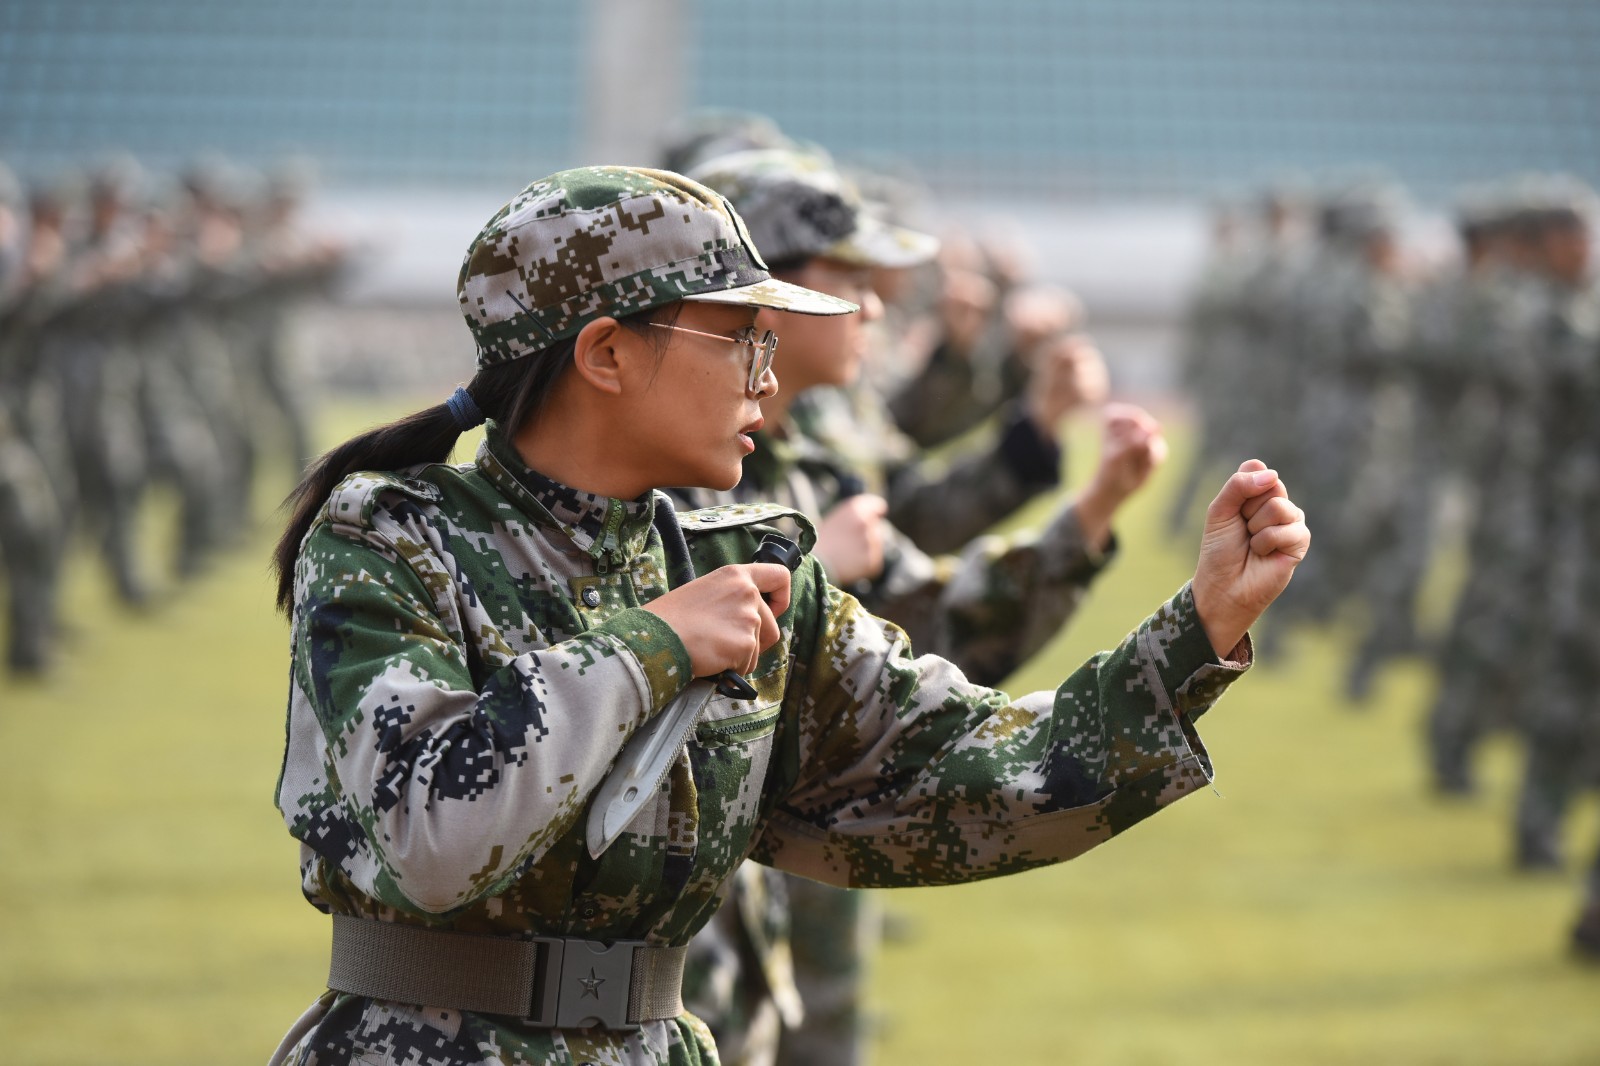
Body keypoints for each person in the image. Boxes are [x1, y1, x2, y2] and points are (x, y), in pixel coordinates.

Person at [267, 165, 1309, 1066]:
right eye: (737, 338)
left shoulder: (745, 563)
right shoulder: (393, 537)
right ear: (605, 355)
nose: (767, 379)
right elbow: (433, 835)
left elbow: (965, 777)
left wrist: (1193, 634)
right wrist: (651, 648)